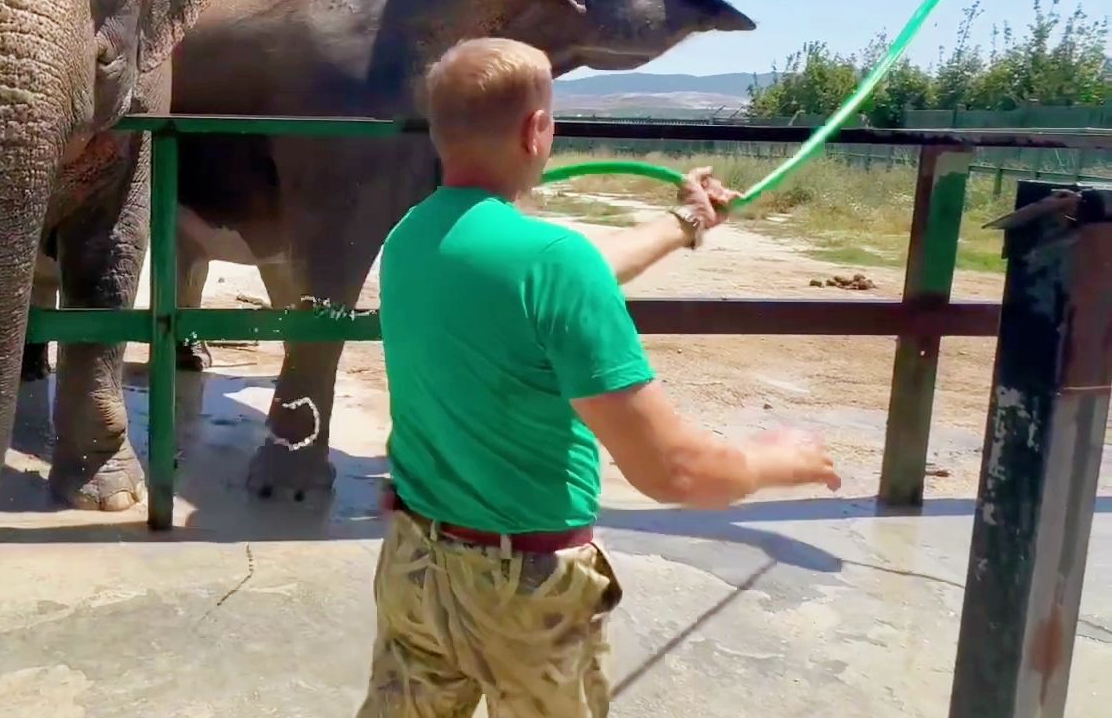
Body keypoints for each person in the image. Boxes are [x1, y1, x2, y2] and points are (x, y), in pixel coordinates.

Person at [356, 37, 841, 717]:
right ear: (538, 130)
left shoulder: (412, 237)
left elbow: (558, 277)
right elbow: (671, 470)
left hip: (415, 567)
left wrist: (686, 222)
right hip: (525, 592)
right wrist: (775, 464)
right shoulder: (553, 265)